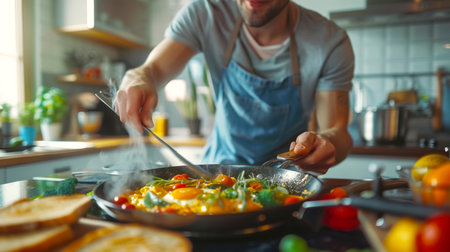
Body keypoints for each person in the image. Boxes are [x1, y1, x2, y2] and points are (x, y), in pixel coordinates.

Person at [114, 0, 354, 174]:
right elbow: (151, 70)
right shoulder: (206, 13)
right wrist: (138, 77)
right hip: (216, 176)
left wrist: (326, 143)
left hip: (285, 181)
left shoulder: (329, 41)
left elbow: (337, 131)